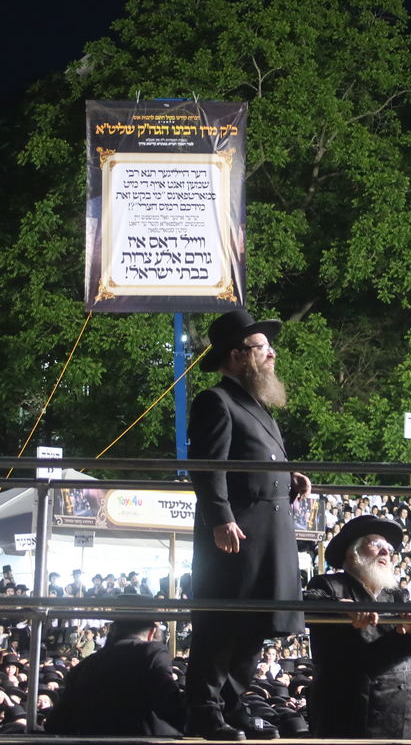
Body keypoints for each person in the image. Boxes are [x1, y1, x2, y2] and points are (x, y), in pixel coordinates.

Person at [185, 309, 310, 741]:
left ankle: (233, 705)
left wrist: (289, 475)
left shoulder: (255, 403)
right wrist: (221, 517)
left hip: (268, 530)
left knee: (256, 626)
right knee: (223, 626)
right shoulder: (215, 401)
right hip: (237, 532)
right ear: (238, 355)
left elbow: (257, 458)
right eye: (262, 347)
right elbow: (207, 466)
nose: (272, 354)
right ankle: (205, 711)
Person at [303, 515, 411, 739]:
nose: (386, 552)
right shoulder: (328, 585)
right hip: (344, 708)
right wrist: (339, 609)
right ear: (353, 553)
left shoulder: (398, 595)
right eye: (376, 545)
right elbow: (304, 605)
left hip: (401, 713)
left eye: (389, 548)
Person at [44, 606, 185, 736]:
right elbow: (172, 709)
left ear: (114, 630)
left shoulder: (84, 666)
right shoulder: (152, 653)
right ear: (152, 633)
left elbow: (57, 722)